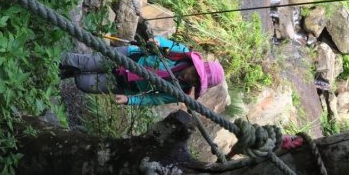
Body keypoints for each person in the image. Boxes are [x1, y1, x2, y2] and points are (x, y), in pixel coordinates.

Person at [59, 35, 225, 106]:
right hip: (128, 57)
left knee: (83, 83)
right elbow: (161, 42)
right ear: (196, 66)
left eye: (196, 82)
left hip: (126, 85)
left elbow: (152, 100)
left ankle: (69, 71)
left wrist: (129, 100)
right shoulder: (180, 53)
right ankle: (54, 62)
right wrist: (156, 42)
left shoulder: (179, 92)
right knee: (85, 62)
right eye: (195, 74)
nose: (191, 79)